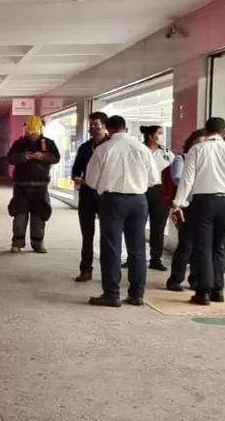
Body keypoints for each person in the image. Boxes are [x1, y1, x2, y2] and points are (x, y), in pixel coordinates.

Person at [171, 117, 225, 305]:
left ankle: (203, 292)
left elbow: (187, 179)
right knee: (219, 245)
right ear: (224, 132)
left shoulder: (197, 150)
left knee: (203, 247)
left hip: (203, 202)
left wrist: (178, 203)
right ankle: (218, 290)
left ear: (205, 131)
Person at [85, 115, 159, 307]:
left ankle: (112, 294)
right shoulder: (143, 149)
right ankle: (137, 294)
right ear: (125, 128)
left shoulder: (104, 149)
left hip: (113, 201)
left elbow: (91, 181)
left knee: (111, 247)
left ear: (108, 129)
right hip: (139, 201)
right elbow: (153, 179)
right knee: (138, 248)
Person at [6, 115, 60, 253]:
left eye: (34, 133)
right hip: (21, 186)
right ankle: (17, 243)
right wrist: (24, 156)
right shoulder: (19, 144)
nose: (31, 135)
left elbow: (56, 158)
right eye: (29, 132)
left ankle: (38, 244)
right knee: (20, 216)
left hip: (40, 187)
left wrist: (41, 156)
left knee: (39, 217)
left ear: (40, 130)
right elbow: (10, 158)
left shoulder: (48, 143)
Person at [164, 129, 206, 292]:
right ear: (191, 143)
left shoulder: (207, 159)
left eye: (204, 142)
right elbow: (177, 179)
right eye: (198, 142)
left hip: (202, 205)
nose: (200, 146)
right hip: (186, 206)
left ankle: (195, 278)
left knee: (200, 245)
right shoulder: (181, 158)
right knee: (186, 244)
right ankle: (175, 280)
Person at [72, 111, 110, 282]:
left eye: (96, 124)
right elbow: (76, 168)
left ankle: (108, 271)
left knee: (107, 235)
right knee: (87, 235)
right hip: (87, 194)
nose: (93, 128)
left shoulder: (111, 146)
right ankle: (86, 269)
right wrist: (76, 177)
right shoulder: (85, 147)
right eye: (91, 125)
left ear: (104, 126)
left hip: (106, 196)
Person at [141, 125, 174, 271]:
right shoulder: (140, 151)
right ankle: (133, 258)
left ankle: (155, 259)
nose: (162, 135)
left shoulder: (166, 153)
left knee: (158, 227)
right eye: (159, 133)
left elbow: (174, 170)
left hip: (160, 192)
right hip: (141, 191)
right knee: (137, 226)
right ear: (150, 136)